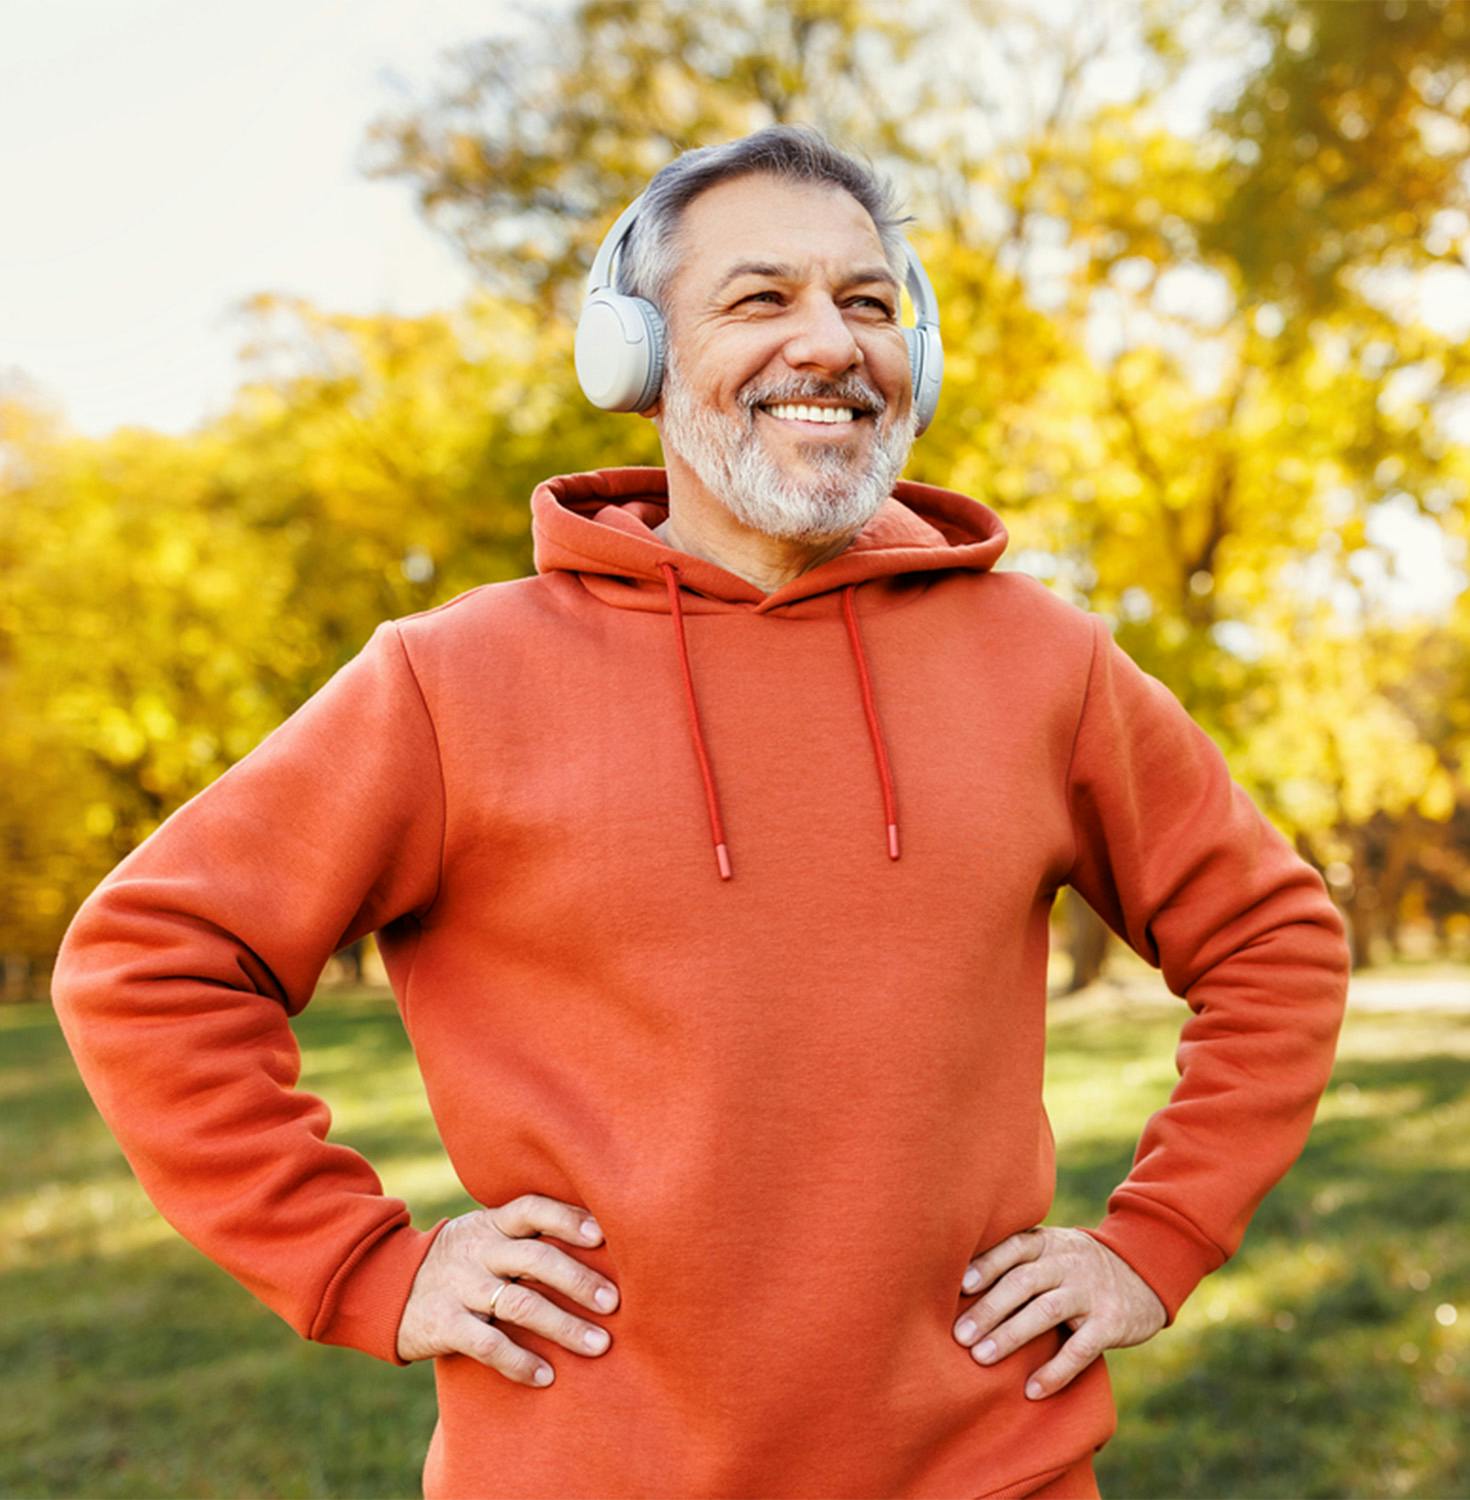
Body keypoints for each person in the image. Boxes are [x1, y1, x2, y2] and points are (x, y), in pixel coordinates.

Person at [50, 124, 1352, 1500]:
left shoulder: (1049, 663)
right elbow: (148, 963)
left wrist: (1156, 1241)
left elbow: (1273, 941)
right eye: (759, 298)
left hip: (992, 1470)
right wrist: (367, 1263)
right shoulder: (448, 679)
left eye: (868, 302)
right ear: (636, 356)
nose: (829, 343)